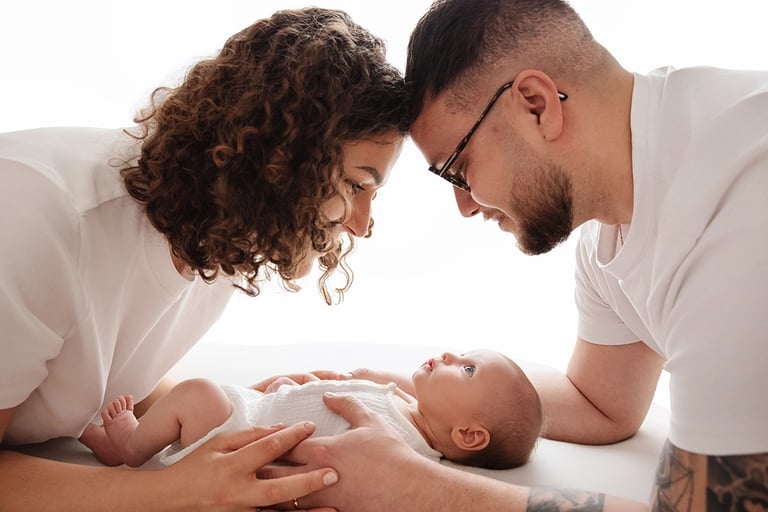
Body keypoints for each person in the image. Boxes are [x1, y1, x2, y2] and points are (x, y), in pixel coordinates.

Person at [264, 0, 768, 511]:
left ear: (535, 104)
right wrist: (394, 395)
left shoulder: (740, 205)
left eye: (458, 169)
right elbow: (602, 405)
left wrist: (411, 485)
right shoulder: (611, 233)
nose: (464, 205)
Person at [0, 7, 408, 510]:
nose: (362, 224)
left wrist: (241, 412)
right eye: (356, 185)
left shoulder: (221, 235)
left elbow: (102, 375)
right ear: (282, 161)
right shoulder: (41, 219)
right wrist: (171, 491)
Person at [79, 349, 541, 472]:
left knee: (195, 393)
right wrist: (290, 391)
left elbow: (322, 452)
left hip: (242, 438)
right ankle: (109, 440)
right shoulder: (407, 406)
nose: (448, 355)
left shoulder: (400, 447)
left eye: (466, 370)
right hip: (258, 409)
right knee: (197, 394)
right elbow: (324, 408)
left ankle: (129, 447)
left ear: (469, 435)